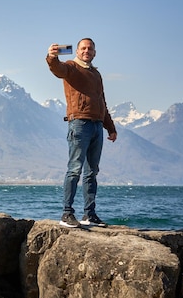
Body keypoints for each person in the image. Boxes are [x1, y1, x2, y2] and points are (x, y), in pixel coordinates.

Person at [46, 38, 117, 228]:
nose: (87, 51)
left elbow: (102, 101)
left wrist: (110, 127)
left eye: (90, 48)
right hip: (79, 123)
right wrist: (51, 58)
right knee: (75, 169)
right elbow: (57, 69)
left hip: (97, 125)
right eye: (83, 48)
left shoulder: (96, 74)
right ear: (77, 51)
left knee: (92, 172)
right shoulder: (71, 67)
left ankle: (89, 214)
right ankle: (67, 214)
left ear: (94, 52)